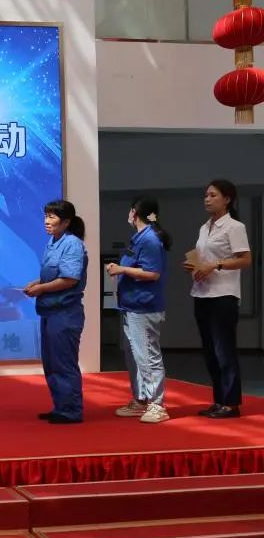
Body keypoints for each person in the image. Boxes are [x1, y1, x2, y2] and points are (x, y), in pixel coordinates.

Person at [183, 179, 252, 419]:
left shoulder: (234, 227)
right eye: (206, 195)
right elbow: (203, 258)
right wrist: (194, 266)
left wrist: (216, 265)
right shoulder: (204, 227)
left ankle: (231, 404)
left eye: (213, 195)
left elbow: (245, 259)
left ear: (227, 199)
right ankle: (219, 400)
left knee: (224, 350)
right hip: (202, 293)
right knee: (210, 351)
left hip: (224, 295)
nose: (207, 199)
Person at [106, 196, 172, 424]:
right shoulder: (139, 238)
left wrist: (121, 269)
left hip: (144, 307)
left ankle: (157, 405)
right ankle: (141, 400)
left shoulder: (150, 239)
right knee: (135, 356)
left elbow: (152, 273)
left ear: (134, 212)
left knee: (148, 356)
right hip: (131, 306)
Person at [25, 200, 88, 424]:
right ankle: (60, 406)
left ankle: (71, 410)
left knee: (64, 363)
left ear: (66, 222)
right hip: (50, 311)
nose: (46, 221)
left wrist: (41, 289)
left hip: (65, 313)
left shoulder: (72, 244)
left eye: (52, 217)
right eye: (46, 216)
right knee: (51, 363)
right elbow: (52, 275)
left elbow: (69, 279)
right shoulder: (53, 242)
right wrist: (36, 283)